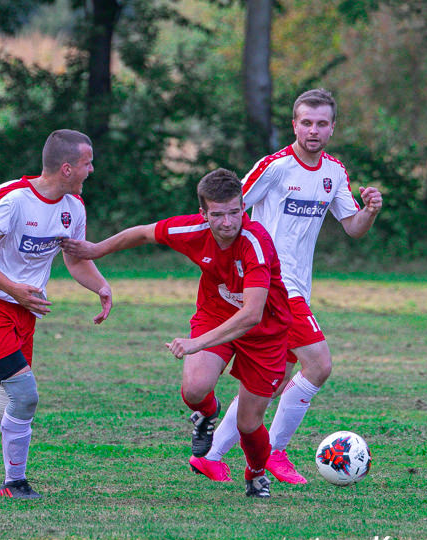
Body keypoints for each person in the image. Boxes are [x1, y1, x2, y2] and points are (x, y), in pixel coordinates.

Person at [62, 168, 291, 498]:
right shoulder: (191, 229)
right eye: (217, 214)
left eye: (234, 212)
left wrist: (195, 343)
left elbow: (252, 314)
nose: (227, 222)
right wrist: (96, 250)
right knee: (194, 389)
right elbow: (142, 233)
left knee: (248, 424)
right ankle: (207, 414)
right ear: (203, 213)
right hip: (214, 315)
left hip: (264, 332)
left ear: (243, 207)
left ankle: (255, 474)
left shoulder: (255, 243)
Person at [196, 88, 383, 484]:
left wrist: (368, 211)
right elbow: (230, 212)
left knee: (271, 382)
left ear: (333, 128)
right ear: (294, 124)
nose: (313, 130)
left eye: (321, 124)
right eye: (306, 122)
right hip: (273, 288)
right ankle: (276, 453)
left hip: (298, 286)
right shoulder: (275, 167)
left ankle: (211, 455)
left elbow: (352, 228)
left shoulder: (334, 173)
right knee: (319, 364)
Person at [0, 129, 113, 499]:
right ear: (67, 168)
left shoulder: (72, 208)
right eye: (87, 163)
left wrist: (101, 287)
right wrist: (13, 289)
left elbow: (74, 260)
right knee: (25, 395)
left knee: (3, 406)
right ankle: (15, 483)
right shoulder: (11, 200)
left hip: (23, 309)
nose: (92, 170)